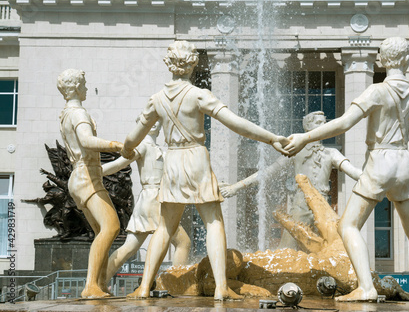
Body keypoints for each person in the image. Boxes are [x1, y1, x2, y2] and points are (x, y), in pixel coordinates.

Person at [284, 37, 409, 302]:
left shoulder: (377, 91)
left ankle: (366, 287)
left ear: (382, 59)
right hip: (403, 162)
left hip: (380, 160)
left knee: (348, 224)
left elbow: (344, 123)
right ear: (406, 60)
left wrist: (305, 137)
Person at [122, 41, 288, 300]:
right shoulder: (199, 95)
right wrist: (271, 138)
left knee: (165, 227)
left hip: (173, 161)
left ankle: (144, 287)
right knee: (213, 221)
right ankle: (222, 287)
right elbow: (236, 123)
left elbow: (132, 140)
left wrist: (125, 150)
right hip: (196, 158)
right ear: (192, 64)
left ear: (169, 64)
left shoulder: (156, 100)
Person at [221, 111, 362, 249]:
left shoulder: (332, 153)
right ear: (307, 127)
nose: (324, 125)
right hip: (301, 205)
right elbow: (268, 172)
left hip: (324, 205)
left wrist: (377, 176)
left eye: (325, 123)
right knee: (288, 248)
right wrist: (236, 187)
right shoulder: (295, 152)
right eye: (318, 123)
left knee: (333, 247)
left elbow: (355, 173)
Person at [57, 69, 123, 298]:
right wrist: (115, 146)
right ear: (75, 87)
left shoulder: (66, 114)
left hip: (82, 176)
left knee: (102, 230)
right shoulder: (78, 114)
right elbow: (86, 141)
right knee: (111, 227)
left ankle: (100, 285)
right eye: (84, 84)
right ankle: (91, 286)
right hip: (87, 177)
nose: (86, 88)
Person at [101, 120, 191, 285]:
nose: (154, 124)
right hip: (155, 199)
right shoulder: (143, 146)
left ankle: (100, 282)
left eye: (157, 121)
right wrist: (94, 173)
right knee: (183, 243)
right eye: (150, 121)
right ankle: (177, 283)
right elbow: (119, 164)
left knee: (129, 247)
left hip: (150, 200)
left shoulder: (156, 148)